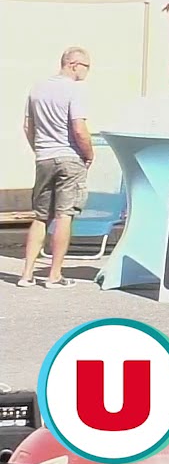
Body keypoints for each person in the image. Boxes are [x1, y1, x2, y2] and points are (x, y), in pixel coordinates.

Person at [17, 47, 93, 289]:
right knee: (64, 215)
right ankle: (55, 275)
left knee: (40, 216)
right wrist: (89, 154)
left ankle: (27, 274)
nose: (87, 72)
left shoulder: (37, 88)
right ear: (73, 64)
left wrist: (39, 150)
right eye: (86, 66)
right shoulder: (74, 90)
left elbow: (28, 126)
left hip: (44, 158)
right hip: (69, 158)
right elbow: (79, 129)